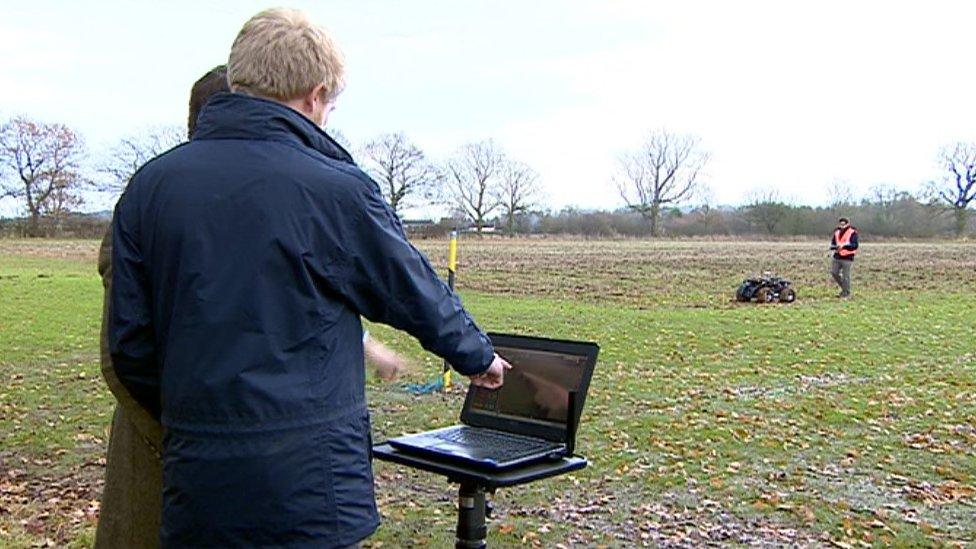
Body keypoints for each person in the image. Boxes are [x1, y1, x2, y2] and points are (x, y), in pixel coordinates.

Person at [108, 8, 510, 548]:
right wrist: (477, 356)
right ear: (315, 96)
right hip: (311, 485)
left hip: (199, 480)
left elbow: (131, 346)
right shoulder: (334, 189)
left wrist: (199, 417)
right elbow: (407, 286)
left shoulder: (150, 188)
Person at [95, 64, 409, 548]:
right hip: (173, 457)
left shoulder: (272, 200)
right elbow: (127, 354)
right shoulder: (153, 207)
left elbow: (288, 301)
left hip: (261, 470)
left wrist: (368, 345)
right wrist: (206, 427)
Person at [829, 217, 859, 298]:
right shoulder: (837, 232)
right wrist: (834, 247)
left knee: (846, 276)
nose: (842, 226)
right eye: (841, 224)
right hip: (837, 256)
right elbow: (833, 243)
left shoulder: (853, 232)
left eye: (844, 224)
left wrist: (844, 246)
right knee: (834, 272)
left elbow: (855, 245)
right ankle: (845, 289)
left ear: (847, 224)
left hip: (848, 257)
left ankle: (846, 293)